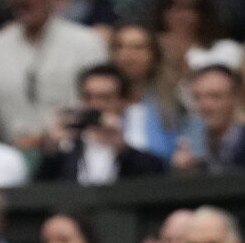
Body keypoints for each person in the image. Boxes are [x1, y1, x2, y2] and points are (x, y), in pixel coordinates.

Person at [0, 0, 107, 148]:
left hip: (72, 153)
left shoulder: (87, 43)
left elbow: (99, 106)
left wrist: (47, 137)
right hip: (11, 156)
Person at [37, 64, 165, 184]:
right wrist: (51, 151)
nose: (95, 105)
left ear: (123, 101)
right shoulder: (67, 144)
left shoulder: (138, 132)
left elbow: (157, 181)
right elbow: (40, 193)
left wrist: (123, 149)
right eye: (88, 97)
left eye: (105, 98)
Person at [172, 65, 245, 173]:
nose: (205, 105)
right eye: (197, 97)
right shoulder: (187, 147)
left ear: (236, 98)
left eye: (215, 97)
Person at [110, 21, 182, 160]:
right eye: (120, 47)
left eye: (137, 47)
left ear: (154, 55)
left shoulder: (176, 102)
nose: (127, 55)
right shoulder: (98, 100)